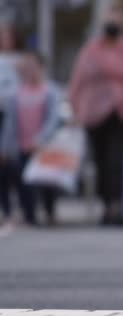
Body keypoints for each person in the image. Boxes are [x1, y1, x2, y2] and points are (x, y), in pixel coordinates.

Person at [68, 0, 123, 227]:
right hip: (95, 114)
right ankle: (105, 204)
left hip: (122, 112)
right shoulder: (91, 51)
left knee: (116, 161)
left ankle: (116, 206)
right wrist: (75, 108)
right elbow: (78, 81)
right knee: (101, 162)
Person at [0, 51, 62, 227]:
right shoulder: (16, 94)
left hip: (42, 146)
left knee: (47, 181)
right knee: (21, 180)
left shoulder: (50, 91)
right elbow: (10, 124)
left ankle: (49, 212)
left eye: (33, 66)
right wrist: (4, 148)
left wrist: (40, 139)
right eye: (26, 67)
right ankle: (28, 215)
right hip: (21, 145)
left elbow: (53, 119)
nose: (30, 70)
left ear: (42, 68)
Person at [0, 22, 20, 225]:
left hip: (12, 116)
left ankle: (15, 208)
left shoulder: (19, 61)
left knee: (10, 163)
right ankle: (4, 208)